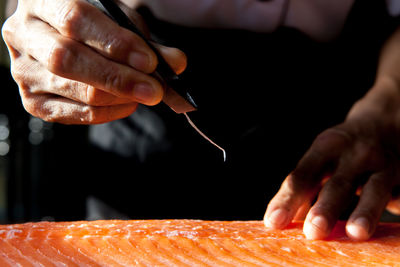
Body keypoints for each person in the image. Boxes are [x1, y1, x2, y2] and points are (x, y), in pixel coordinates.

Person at [2, 0, 400, 241]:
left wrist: (389, 99)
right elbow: (31, 9)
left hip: (336, 115)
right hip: (143, 104)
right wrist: (50, 23)